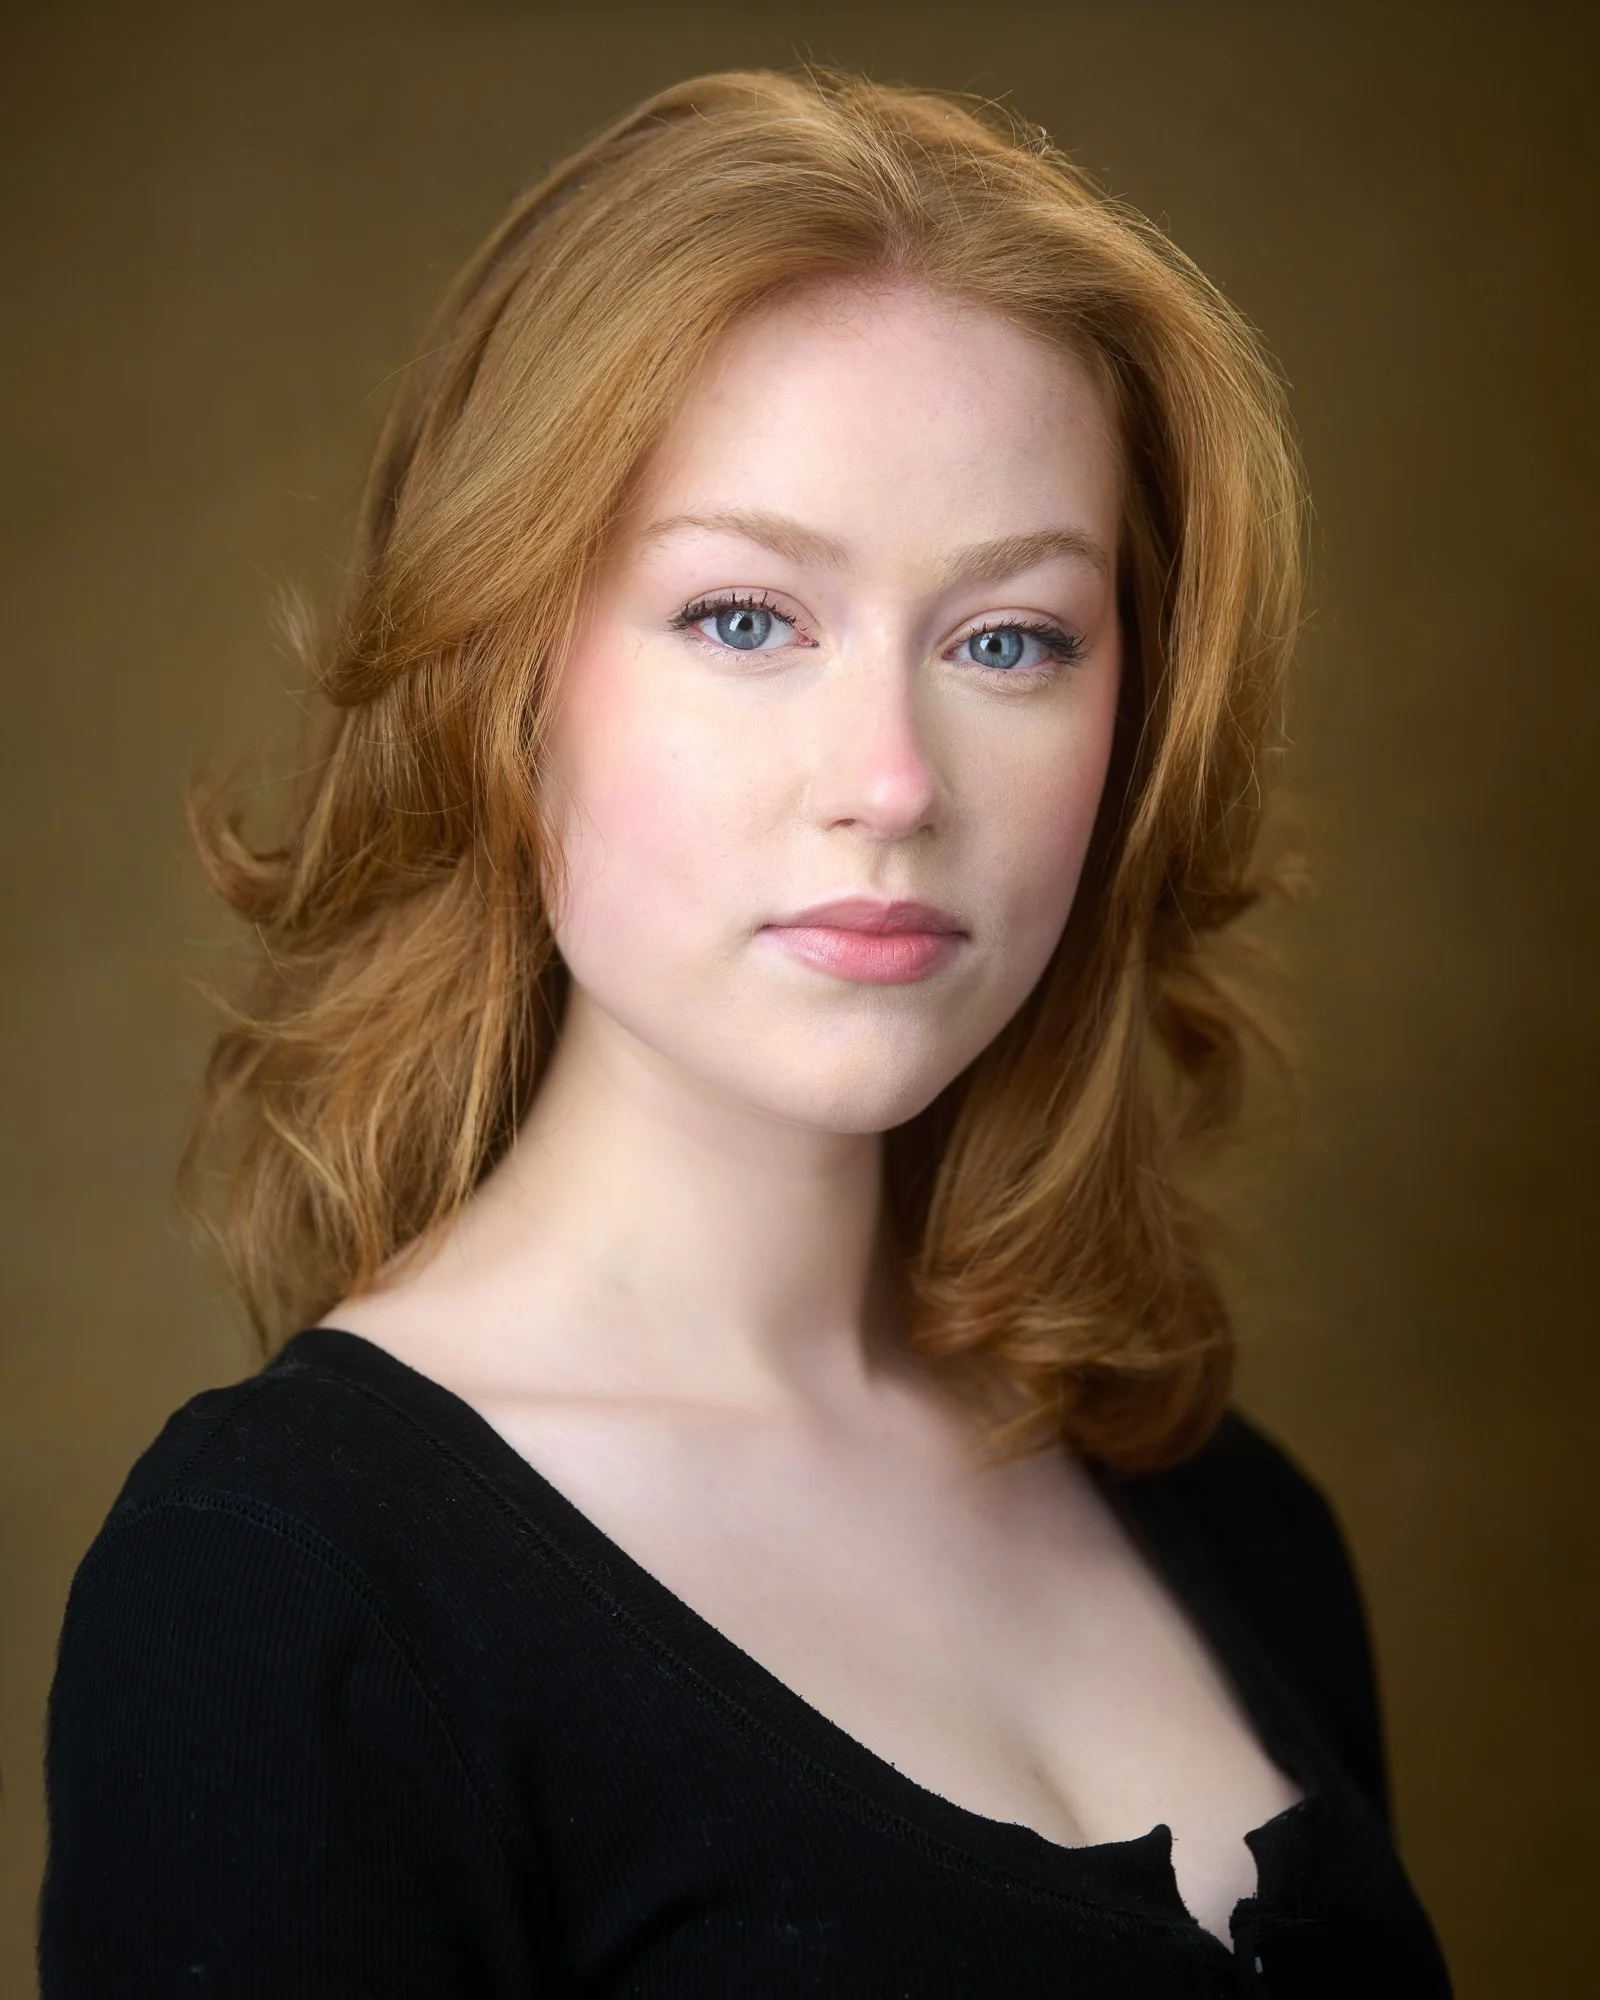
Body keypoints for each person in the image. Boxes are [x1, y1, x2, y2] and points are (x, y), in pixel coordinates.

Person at [39, 68, 1452, 1996]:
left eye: (1011, 639)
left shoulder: (1238, 1520)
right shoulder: (286, 1589)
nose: (891, 784)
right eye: (744, 618)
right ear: (499, 675)